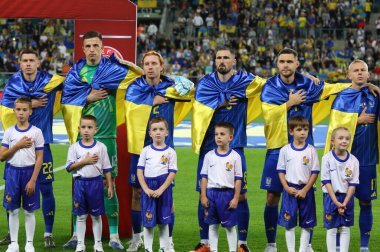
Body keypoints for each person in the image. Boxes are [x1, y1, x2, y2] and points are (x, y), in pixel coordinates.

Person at [260, 48, 355, 252]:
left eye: (289, 61)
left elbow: (332, 89)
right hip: (278, 147)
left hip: (304, 149)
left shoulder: (308, 84)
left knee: (307, 195)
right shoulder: (270, 87)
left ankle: (307, 244)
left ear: (297, 64)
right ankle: (271, 243)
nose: (285, 65)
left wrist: (361, 84)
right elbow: (267, 115)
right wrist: (289, 103)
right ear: (277, 64)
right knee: (272, 197)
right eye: (282, 61)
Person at [62, 30, 143, 250]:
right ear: (83, 48)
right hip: (82, 137)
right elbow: (66, 100)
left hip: (106, 135)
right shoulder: (75, 73)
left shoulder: (113, 70)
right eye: (87, 46)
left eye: (95, 46)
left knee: (109, 183)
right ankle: (75, 235)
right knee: (78, 183)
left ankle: (114, 235)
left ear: (102, 47)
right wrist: (87, 96)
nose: (91, 50)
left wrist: (126, 63)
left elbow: (139, 77)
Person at [192, 45, 266, 252]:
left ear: (234, 61)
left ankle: (242, 243)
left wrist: (307, 79)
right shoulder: (205, 83)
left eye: (226, 57)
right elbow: (198, 108)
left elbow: (271, 85)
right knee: (203, 193)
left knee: (240, 194)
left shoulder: (246, 81)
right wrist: (221, 102)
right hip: (209, 147)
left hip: (236, 146)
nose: (221, 61)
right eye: (218, 58)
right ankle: (204, 242)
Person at [125, 51, 193, 252]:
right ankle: (137, 238)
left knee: (167, 194)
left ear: (161, 67)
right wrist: (150, 103)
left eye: (154, 63)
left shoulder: (170, 87)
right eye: (147, 63)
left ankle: (168, 240)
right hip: (140, 149)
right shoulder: (135, 87)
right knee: (137, 192)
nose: (150, 67)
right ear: (143, 66)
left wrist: (183, 83)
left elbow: (192, 91)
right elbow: (130, 110)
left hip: (164, 150)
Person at [0, 49, 64, 248]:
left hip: (41, 145)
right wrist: (32, 103)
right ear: (19, 63)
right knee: (13, 190)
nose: (28, 64)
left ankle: (48, 233)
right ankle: (12, 236)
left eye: (31, 60)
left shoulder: (50, 81)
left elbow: (72, 89)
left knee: (46, 188)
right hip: (16, 145)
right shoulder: (13, 83)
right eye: (24, 60)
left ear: (38, 62)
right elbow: (8, 104)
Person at [324, 59, 379, 251]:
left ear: (368, 74)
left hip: (367, 158)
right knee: (340, 200)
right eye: (355, 70)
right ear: (349, 75)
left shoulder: (374, 96)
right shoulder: (341, 98)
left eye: (363, 70)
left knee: (365, 201)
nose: (360, 73)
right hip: (342, 161)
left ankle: (364, 245)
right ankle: (338, 245)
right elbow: (335, 128)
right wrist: (357, 119)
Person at [0, 97, 44, 252]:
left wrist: (33, 179)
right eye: (18, 109)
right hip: (12, 173)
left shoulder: (36, 132)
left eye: (25, 110)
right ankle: (14, 243)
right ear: (14, 111)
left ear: (30, 112)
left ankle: (29, 243)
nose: (21, 113)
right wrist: (17, 145)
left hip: (29, 173)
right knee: (13, 210)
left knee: (29, 210)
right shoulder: (9, 132)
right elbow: (2, 156)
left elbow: (40, 157)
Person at [65, 115, 113, 252]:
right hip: (80, 184)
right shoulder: (74, 148)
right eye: (84, 127)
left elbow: (107, 168)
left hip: (96, 184)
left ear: (95, 130)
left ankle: (98, 244)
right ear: (79, 129)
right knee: (80, 216)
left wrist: (109, 185)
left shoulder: (101, 147)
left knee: (96, 215)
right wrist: (84, 161)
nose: (86, 130)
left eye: (90, 127)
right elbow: (69, 168)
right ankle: (80, 244)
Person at [276, 116, 320, 252]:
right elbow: (281, 171)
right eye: (299, 129)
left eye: (306, 129)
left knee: (306, 224)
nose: (303, 132)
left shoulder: (311, 150)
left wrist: (306, 189)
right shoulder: (285, 150)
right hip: (290, 190)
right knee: (289, 223)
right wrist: (286, 187)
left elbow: (315, 172)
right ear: (291, 132)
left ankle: (302, 249)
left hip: (306, 191)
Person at [136, 116, 177, 252]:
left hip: (164, 189)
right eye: (155, 129)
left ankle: (163, 248)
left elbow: (172, 173)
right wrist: (146, 188)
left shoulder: (170, 152)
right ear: (150, 133)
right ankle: (148, 249)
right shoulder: (145, 151)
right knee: (148, 223)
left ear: (167, 132)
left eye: (161, 129)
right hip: (148, 188)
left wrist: (161, 189)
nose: (158, 132)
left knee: (164, 222)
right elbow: (140, 171)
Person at [200, 122, 242, 252]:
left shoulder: (235, 156)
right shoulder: (209, 156)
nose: (218, 137)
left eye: (222, 134)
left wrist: (236, 198)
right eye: (216, 134)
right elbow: (204, 177)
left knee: (230, 226)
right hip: (211, 194)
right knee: (213, 225)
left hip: (227, 194)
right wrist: (203, 195)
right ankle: (214, 250)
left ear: (230, 137)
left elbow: (238, 179)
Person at [321, 127, 359, 252]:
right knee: (331, 228)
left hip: (347, 198)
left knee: (345, 228)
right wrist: (336, 202)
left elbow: (353, 184)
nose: (344, 141)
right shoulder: (327, 158)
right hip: (331, 198)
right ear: (333, 141)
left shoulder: (354, 161)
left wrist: (345, 202)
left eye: (347, 138)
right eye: (340, 138)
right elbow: (326, 182)